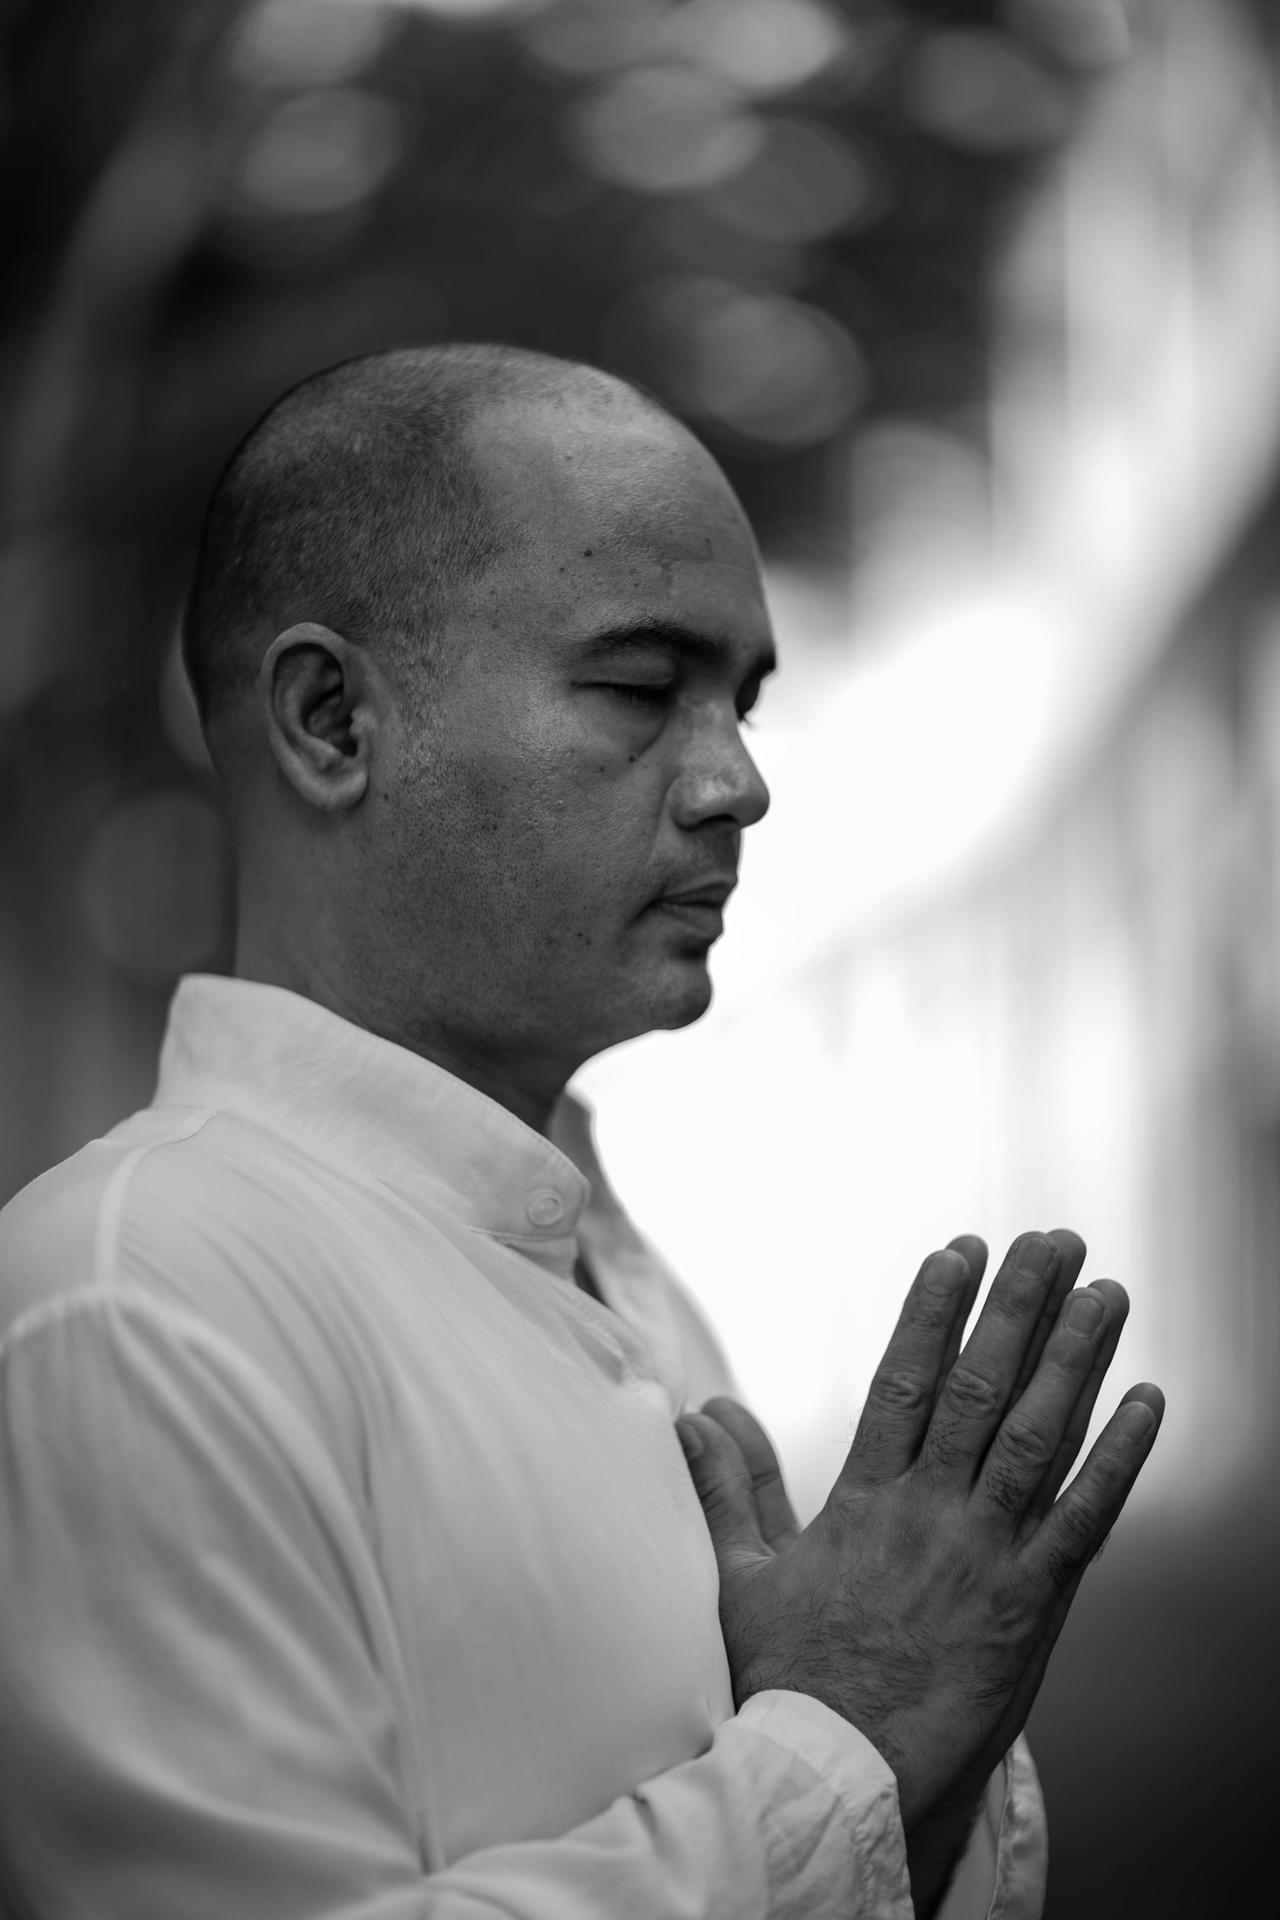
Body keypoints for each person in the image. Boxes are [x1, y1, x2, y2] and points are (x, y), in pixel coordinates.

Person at [0, 344, 1163, 1920]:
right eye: (638, 688)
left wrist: (909, 1747)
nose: (739, 781)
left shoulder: (607, 1278)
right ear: (333, 719)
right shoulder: (136, 1304)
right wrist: (844, 1744)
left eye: (743, 701)